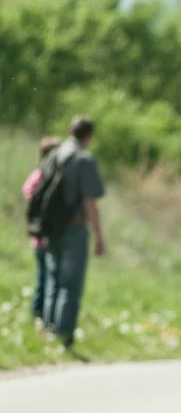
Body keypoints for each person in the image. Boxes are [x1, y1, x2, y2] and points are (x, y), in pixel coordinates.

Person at [43, 116, 107, 354]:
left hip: (50, 226)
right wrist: (99, 236)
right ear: (89, 136)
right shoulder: (84, 159)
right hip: (74, 226)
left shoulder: (53, 154)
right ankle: (64, 337)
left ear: (70, 130)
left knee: (53, 280)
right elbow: (90, 202)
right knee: (70, 285)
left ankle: (47, 332)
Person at [22, 136, 63, 329]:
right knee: (47, 278)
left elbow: (28, 192)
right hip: (46, 237)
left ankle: (40, 314)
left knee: (44, 276)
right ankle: (42, 315)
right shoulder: (47, 177)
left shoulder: (36, 175)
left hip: (37, 236)